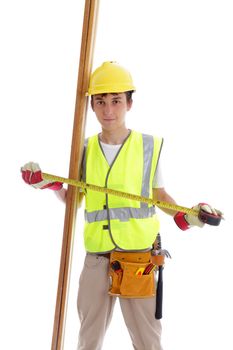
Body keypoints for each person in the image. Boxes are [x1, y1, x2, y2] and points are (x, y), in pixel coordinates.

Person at [21, 61, 221, 350]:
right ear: (91, 106)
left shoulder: (147, 146)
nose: (108, 110)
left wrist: (189, 216)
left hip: (138, 258)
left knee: (147, 341)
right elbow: (72, 200)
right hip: (97, 257)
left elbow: (160, 196)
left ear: (129, 103)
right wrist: (48, 184)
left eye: (116, 101)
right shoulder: (84, 149)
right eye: (100, 101)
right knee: (88, 340)